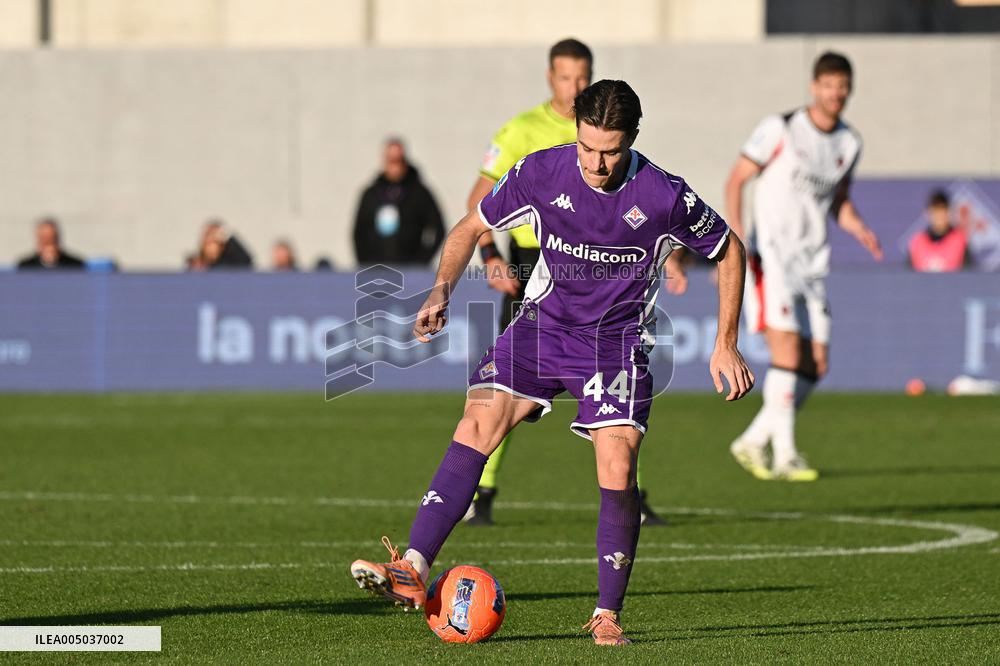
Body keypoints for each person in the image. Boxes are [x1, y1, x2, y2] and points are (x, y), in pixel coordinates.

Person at [350, 80, 754, 646]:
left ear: (632, 140)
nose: (596, 162)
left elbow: (729, 247)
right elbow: (471, 226)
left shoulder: (664, 194)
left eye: (610, 151)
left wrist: (726, 341)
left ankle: (607, 614)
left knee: (617, 461)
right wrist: (441, 289)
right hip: (542, 328)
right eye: (587, 147)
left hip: (613, 343)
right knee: (476, 422)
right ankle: (413, 567)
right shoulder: (542, 172)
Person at [463, 38, 676, 527]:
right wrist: (491, 254)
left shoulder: (605, 129)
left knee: (625, 384)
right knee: (506, 384)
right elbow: (478, 201)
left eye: (583, 76)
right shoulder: (522, 130)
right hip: (536, 264)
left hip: (608, 264)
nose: (574, 85)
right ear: (549, 77)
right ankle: (482, 489)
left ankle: (629, 495)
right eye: (565, 77)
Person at [725, 52, 882, 482]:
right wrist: (737, 233)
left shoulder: (850, 143)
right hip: (771, 254)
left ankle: (753, 441)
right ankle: (786, 455)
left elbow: (839, 202)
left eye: (843, 85)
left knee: (816, 364)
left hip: (812, 263)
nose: (837, 93)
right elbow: (737, 178)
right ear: (815, 87)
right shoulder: (781, 128)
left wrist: (860, 229)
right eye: (829, 84)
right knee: (789, 353)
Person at [353, 138, 446, 266]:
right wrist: (365, 262)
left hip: (410, 269)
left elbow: (438, 228)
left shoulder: (419, 193)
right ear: (384, 161)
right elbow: (359, 232)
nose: (395, 166)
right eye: (391, 161)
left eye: (398, 161)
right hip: (376, 269)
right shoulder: (371, 194)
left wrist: (421, 261)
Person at [908, 190, 971, 272]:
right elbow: (907, 274)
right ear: (928, 213)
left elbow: (969, 273)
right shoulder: (917, 242)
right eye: (936, 211)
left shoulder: (960, 240)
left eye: (942, 210)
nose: (939, 215)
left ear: (949, 212)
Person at [17, 217, 85, 270]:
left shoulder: (74, 266)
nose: (49, 246)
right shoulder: (26, 267)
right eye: (44, 241)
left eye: (52, 240)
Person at [188, 219, 254, 271]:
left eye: (214, 239)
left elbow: (246, 261)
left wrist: (227, 237)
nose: (211, 243)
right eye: (208, 238)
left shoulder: (229, 263)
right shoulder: (195, 264)